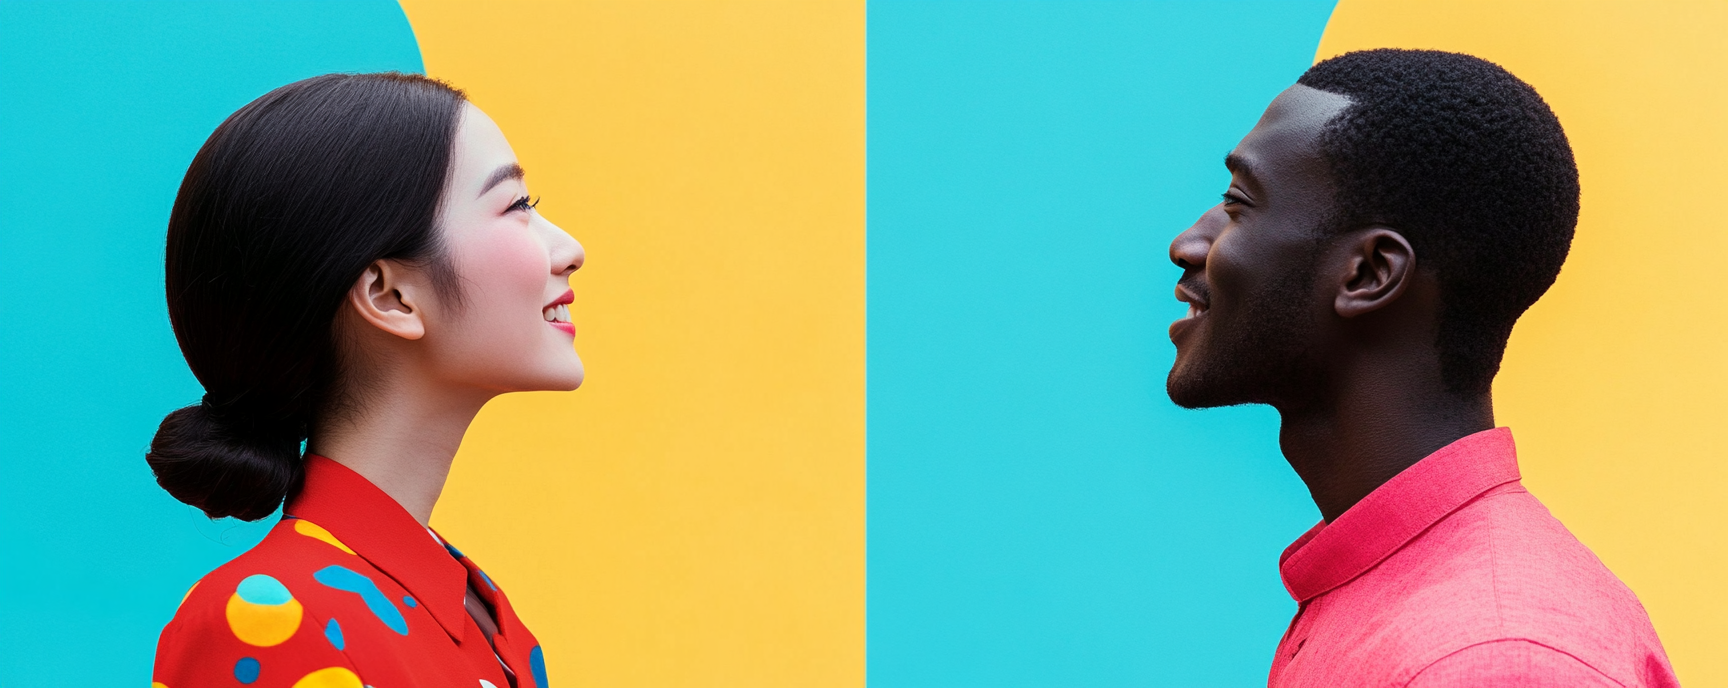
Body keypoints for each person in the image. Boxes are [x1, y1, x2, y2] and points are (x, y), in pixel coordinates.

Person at [1166, 49, 1677, 687]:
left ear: (1369, 273)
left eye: (1239, 204)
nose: (1186, 244)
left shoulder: (1490, 660)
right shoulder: (1414, 602)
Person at [147, 72, 582, 688]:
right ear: (390, 295)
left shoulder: (481, 609)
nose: (571, 248)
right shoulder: (273, 619)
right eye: (516, 206)